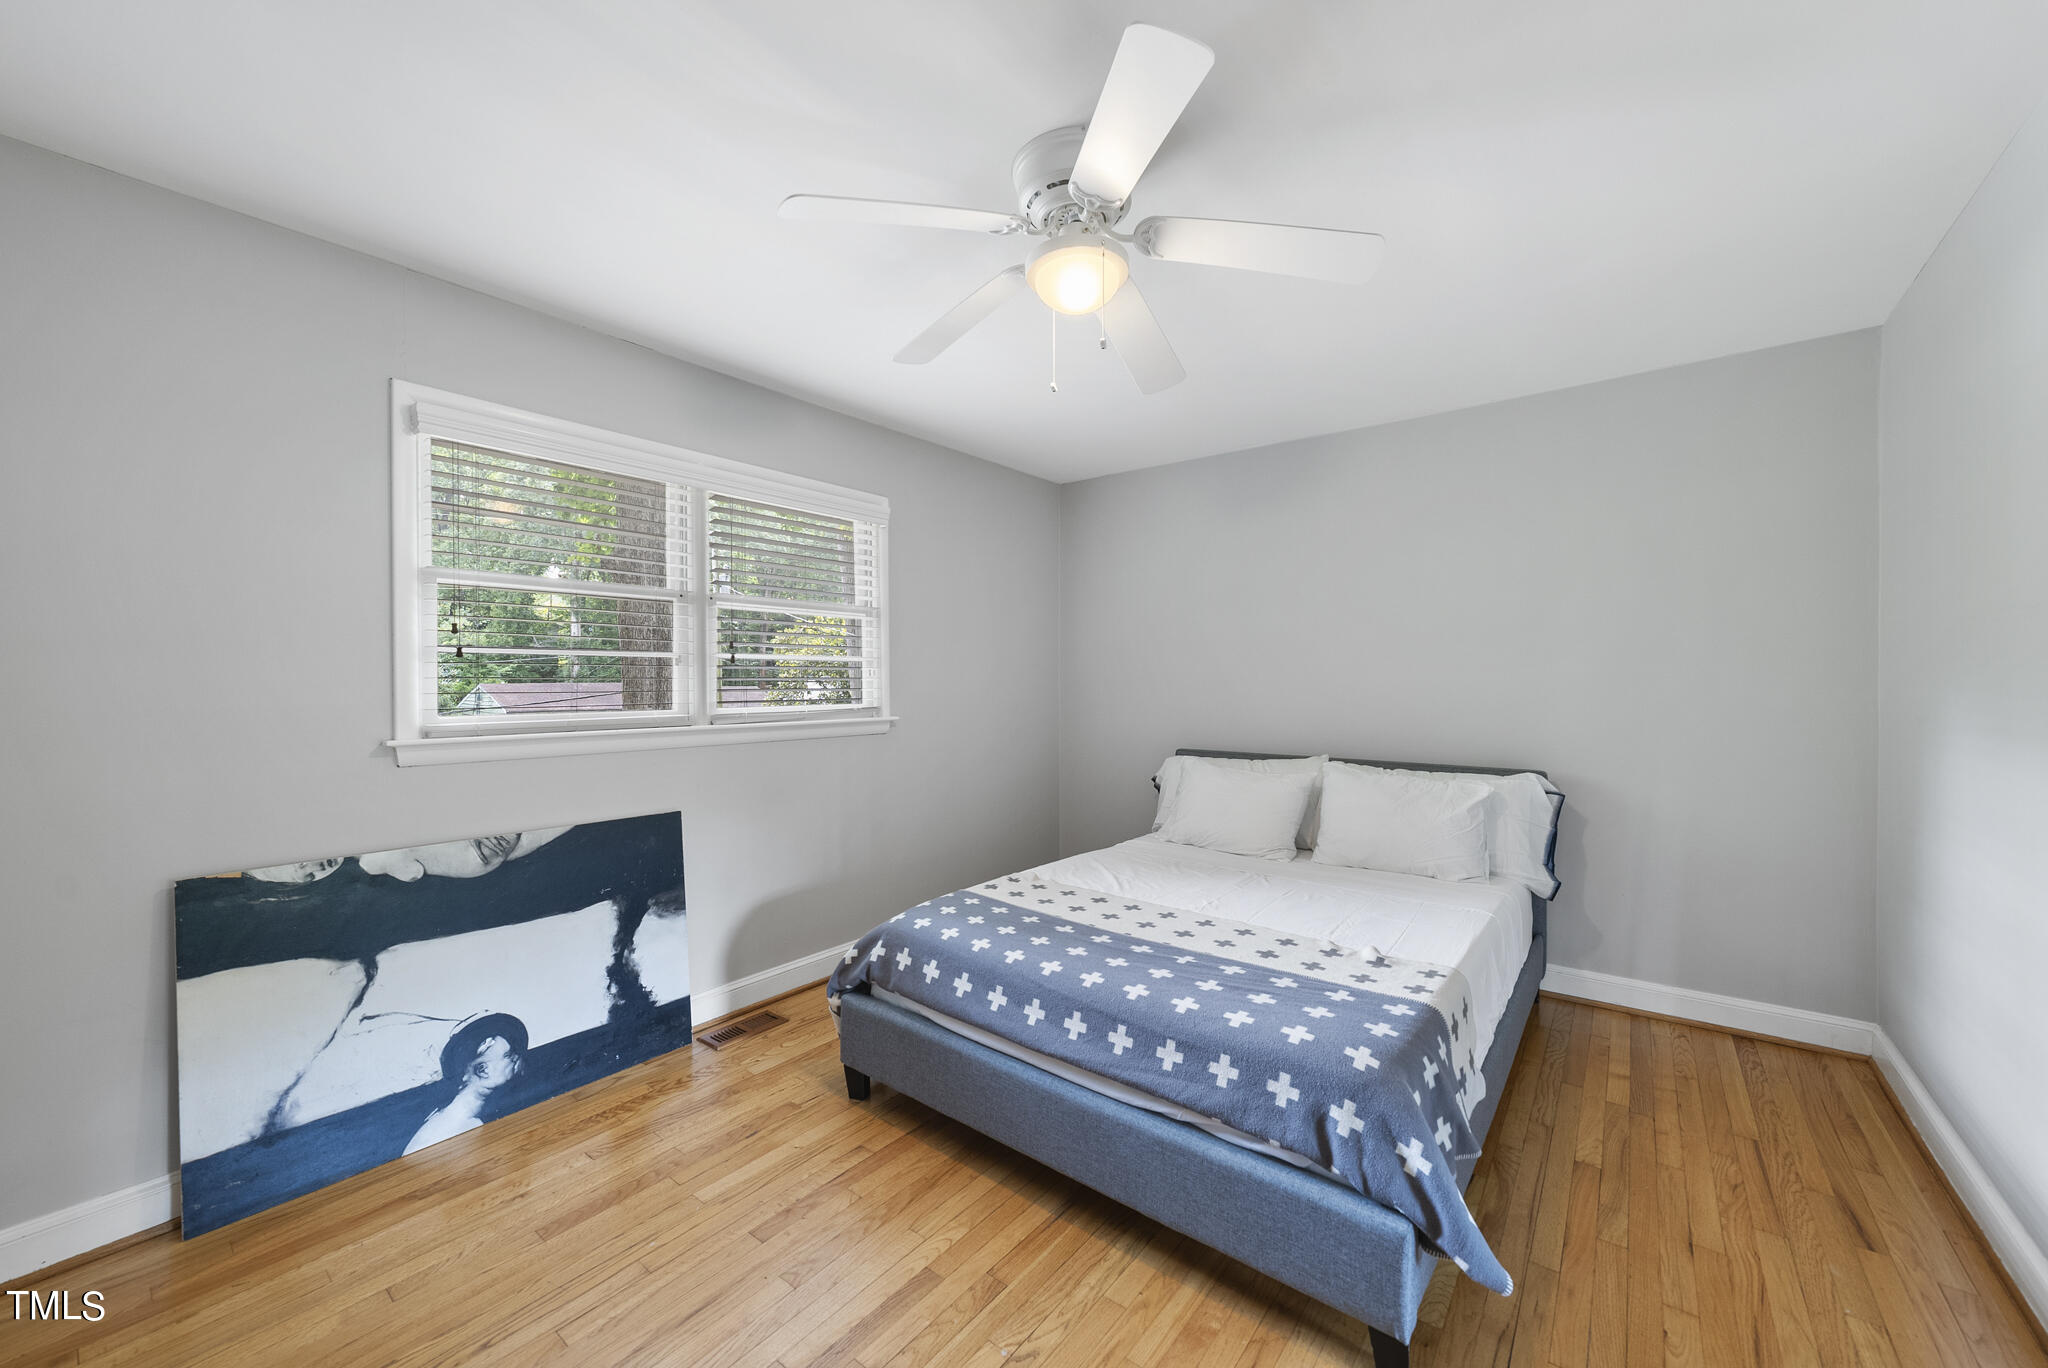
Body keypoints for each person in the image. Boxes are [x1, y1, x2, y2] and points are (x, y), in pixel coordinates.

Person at [402, 1014, 528, 1155]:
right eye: (509, 1056)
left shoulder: (452, 1116)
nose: (518, 1060)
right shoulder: (465, 1126)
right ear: (483, 1070)